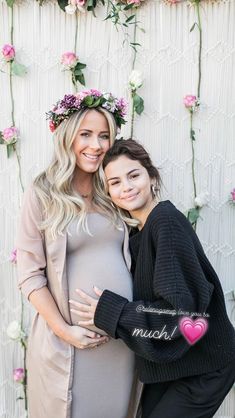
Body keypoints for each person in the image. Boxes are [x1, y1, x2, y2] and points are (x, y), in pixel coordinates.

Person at [70, 138, 235, 418]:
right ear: (108, 191)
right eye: (115, 182)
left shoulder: (166, 222)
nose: (127, 187)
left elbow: (180, 314)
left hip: (204, 366)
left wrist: (112, 312)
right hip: (170, 367)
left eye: (133, 175)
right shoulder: (136, 234)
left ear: (151, 176)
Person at [16, 92, 142, 418]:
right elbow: (30, 275)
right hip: (70, 343)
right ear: (68, 135)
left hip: (119, 343)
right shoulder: (43, 192)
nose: (96, 145)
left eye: (104, 136)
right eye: (85, 134)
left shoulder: (115, 190)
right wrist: (63, 329)